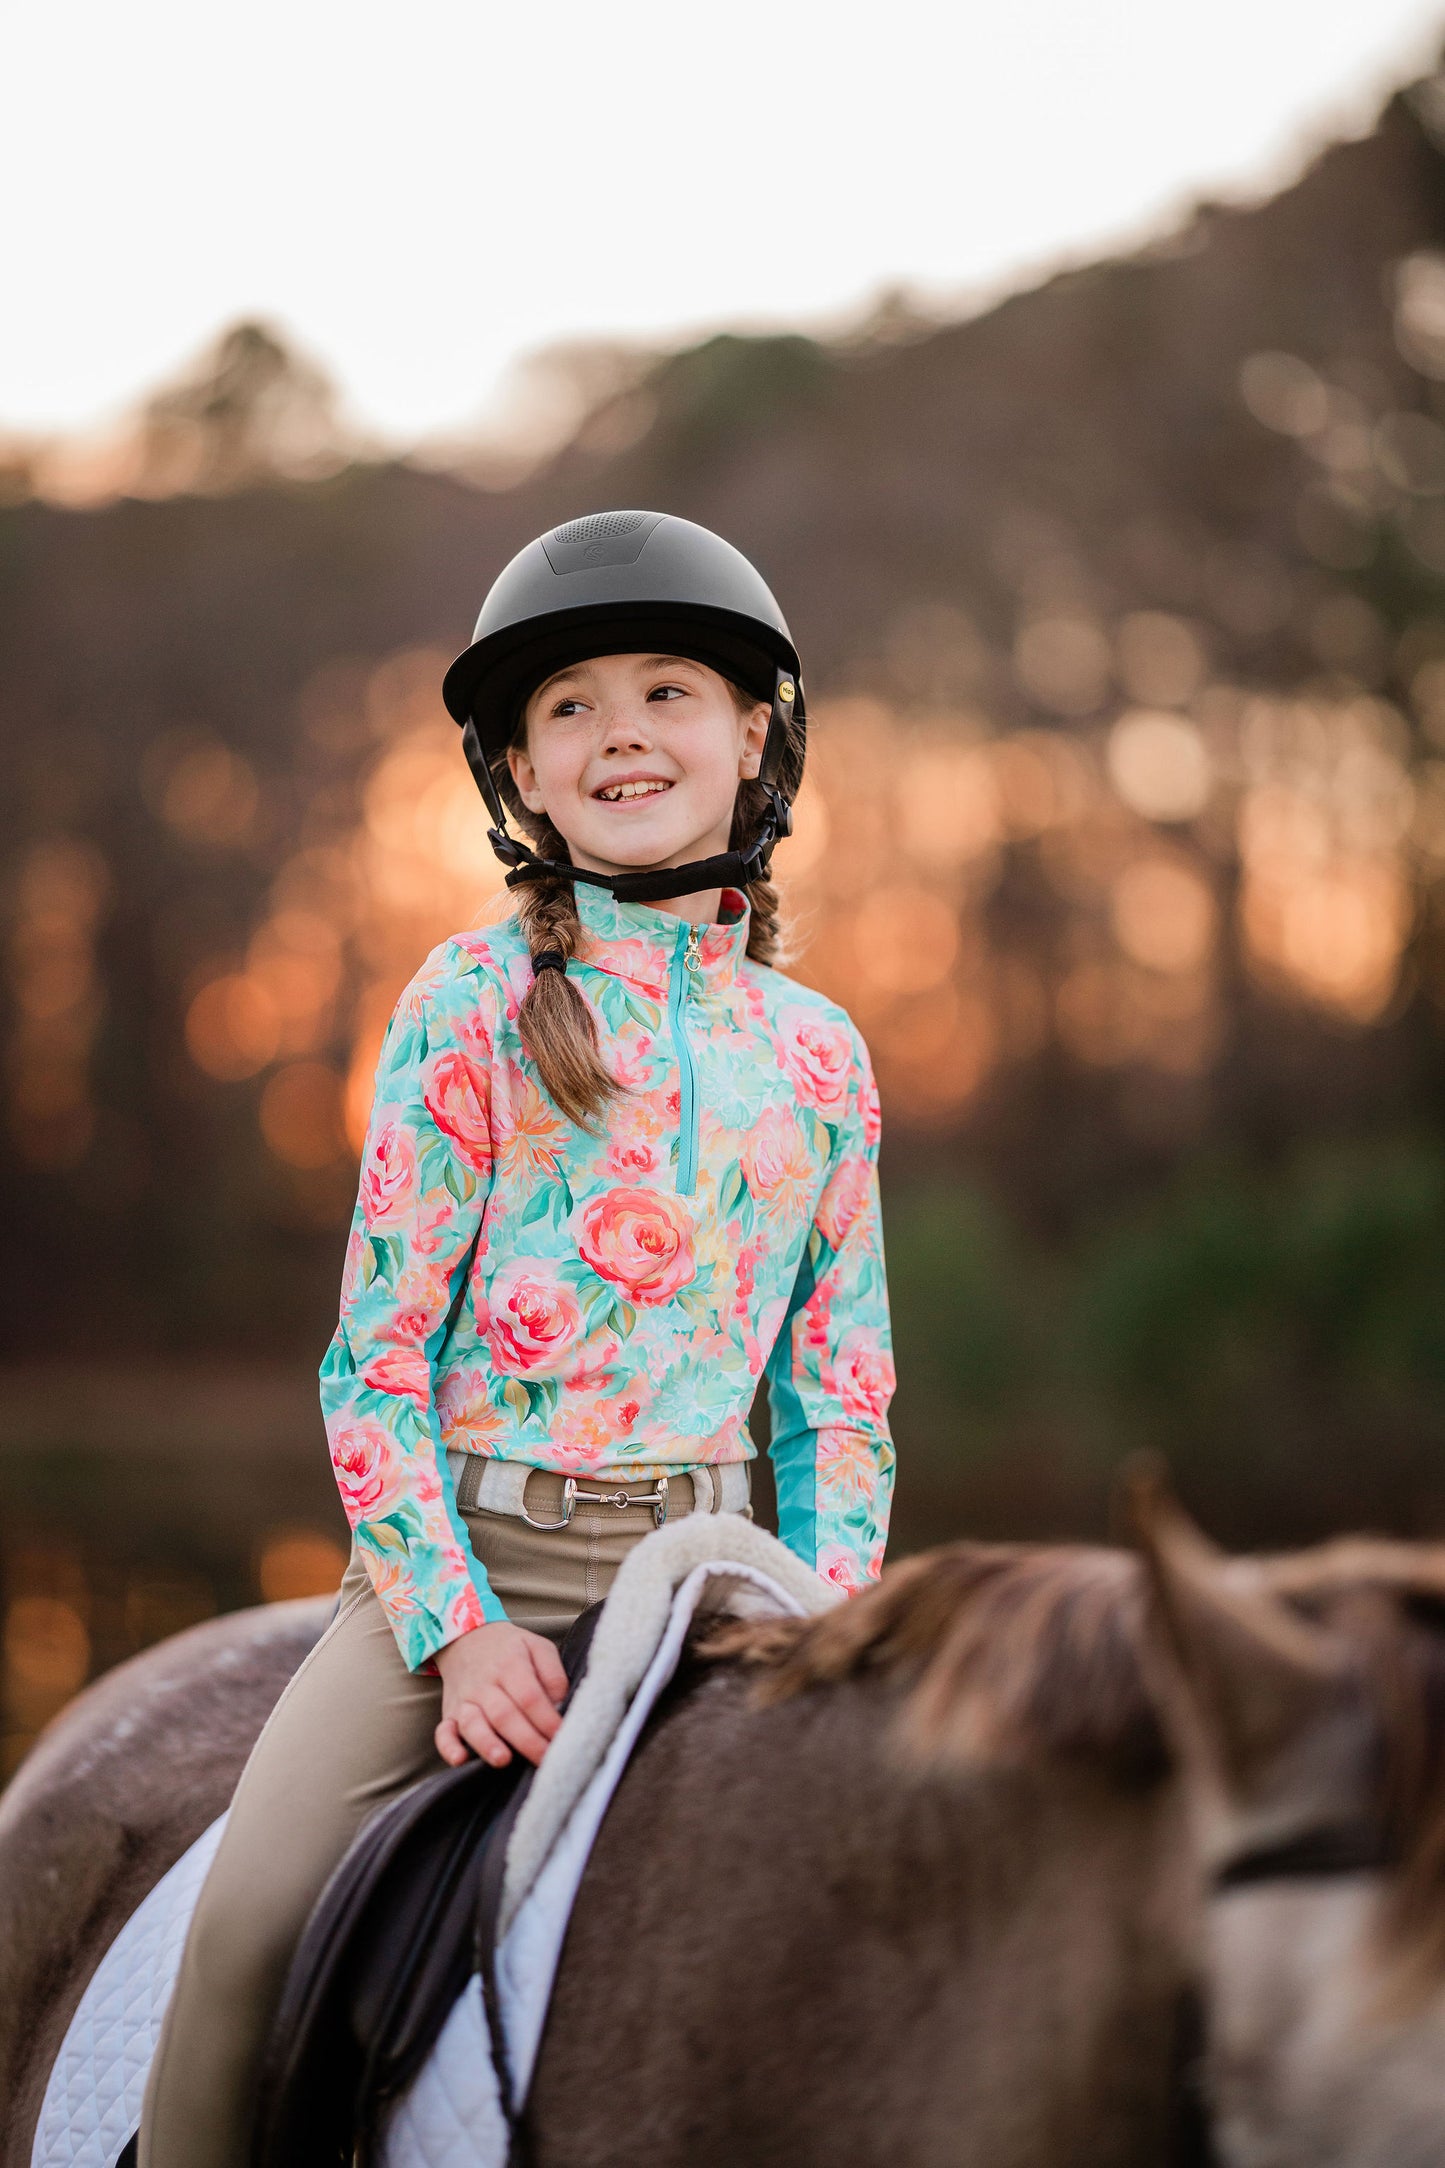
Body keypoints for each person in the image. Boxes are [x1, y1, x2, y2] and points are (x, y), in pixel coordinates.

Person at [139, 510, 895, 2167]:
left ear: (753, 736)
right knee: (247, 1930)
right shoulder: (467, 1004)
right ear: (524, 775)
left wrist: (828, 1620)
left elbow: (836, 1396)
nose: (622, 732)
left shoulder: (821, 1054)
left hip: (715, 1583)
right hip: (475, 1561)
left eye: (667, 690)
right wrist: (460, 1630)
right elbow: (375, 1361)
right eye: (571, 707)